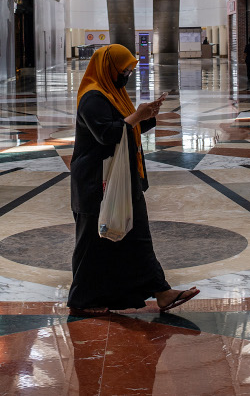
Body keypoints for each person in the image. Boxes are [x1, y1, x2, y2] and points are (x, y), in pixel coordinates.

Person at [68, 44, 199, 315]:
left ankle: (162, 292)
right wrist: (137, 116)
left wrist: (147, 116)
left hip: (121, 175)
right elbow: (107, 134)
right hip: (97, 179)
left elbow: (127, 125)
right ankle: (83, 300)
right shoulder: (93, 97)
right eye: (123, 69)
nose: (126, 74)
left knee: (137, 234)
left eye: (130, 70)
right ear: (108, 68)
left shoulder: (112, 92)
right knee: (91, 243)